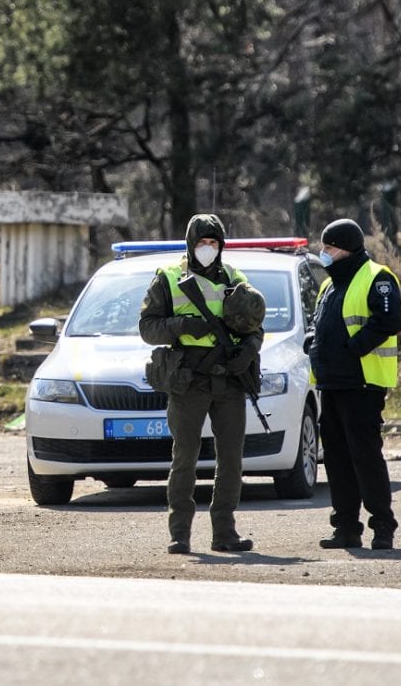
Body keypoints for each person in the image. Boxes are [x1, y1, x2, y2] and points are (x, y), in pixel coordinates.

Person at [139, 214, 263, 554]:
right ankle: (180, 533)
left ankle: (225, 533)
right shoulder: (168, 278)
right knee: (185, 458)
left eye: (213, 243)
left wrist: (249, 351)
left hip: (229, 381)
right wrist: (180, 326)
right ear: (190, 244)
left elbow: (255, 325)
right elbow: (148, 328)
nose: (207, 249)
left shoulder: (235, 278)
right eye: (201, 243)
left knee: (231, 461)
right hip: (188, 381)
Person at [308, 218, 401, 550]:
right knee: (336, 459)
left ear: (346, 248)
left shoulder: (378, 278)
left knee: (365, 457)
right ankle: (346, 528)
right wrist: (314, 343)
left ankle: (383, 527)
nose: (324, 253)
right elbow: (324, 324)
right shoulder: (329, 285)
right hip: (331, 384)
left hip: (362, 382)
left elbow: (388, 321)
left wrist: (352, 349)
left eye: (329, 248)